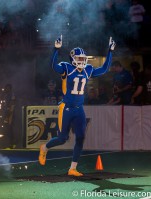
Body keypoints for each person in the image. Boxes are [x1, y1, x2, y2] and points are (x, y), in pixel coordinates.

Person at [39, 35, 116, 176]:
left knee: (80, 137)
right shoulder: (66, 68)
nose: (82, 61)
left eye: (83, 59)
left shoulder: (87, 69)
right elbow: (53, 66)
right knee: (62, 139)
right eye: (79, 59)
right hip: (66, 108)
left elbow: (104, 69)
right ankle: (45, 147)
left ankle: (72, 168)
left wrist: (110, 51)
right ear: (73, 59)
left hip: (79, 109)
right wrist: (56, 49)